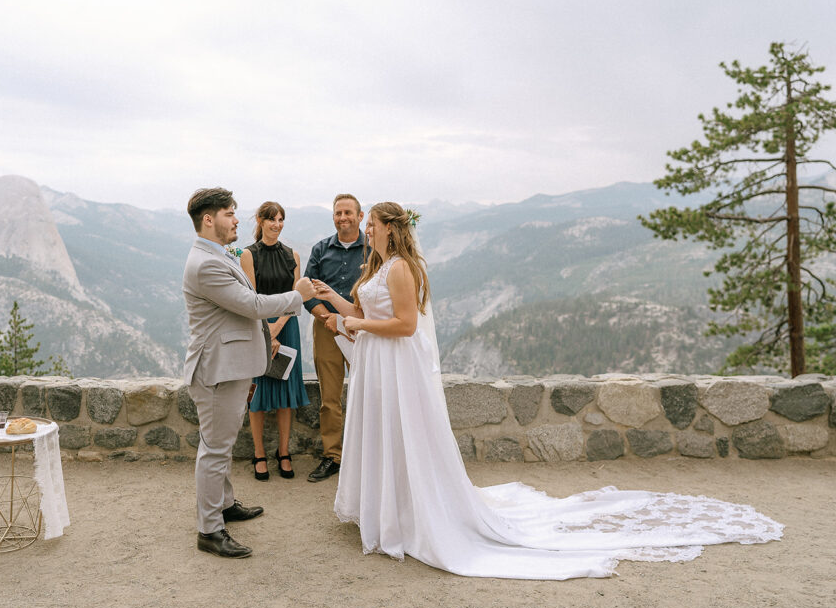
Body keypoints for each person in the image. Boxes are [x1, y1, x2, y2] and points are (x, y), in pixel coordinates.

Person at [312, 202, 782, 579]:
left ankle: (409, 515)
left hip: (395, 369)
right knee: (385, 438)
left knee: (405, 438)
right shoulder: (379, 266)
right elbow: (361, 308)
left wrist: (355, 322)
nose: (366, 230)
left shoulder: (400, 268)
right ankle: (389, 508)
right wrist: (333, 301)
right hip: (379, 369)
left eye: (370, 223)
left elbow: (406, 324)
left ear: (389, 229)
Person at [182, 187, 315, 559]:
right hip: (216, 371)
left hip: (230, 367)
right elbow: (251, 304)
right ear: (208, 220)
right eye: (229, 213)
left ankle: (224, 505)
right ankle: (209, 530)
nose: (237, 219)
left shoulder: (217, 255)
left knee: (220, 445)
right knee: (214, 449)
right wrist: (297, 295)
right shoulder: (206, 263)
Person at [239, 201, 310, 481]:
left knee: (285, 397)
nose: (277, 224)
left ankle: (283, 452)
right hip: (258, 329)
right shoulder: (247, 255)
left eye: (281, 219)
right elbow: (250, 300)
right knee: (257, 394)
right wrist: (267, 334)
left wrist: (277, 330)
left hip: (286, 328)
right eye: (271, 219)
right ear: (260, 220)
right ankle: (259, 454)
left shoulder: (293, 255)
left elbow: (296, 299)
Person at [302, 194, 368, 482]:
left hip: (363, 329)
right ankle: (333, 457)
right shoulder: (320, 249)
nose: (343, 217)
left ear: (360, 216)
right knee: (330, 398)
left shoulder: (372, 249)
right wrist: (324, 316)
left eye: (348, 212)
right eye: (338, 213)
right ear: (333, 217)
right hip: (326, 328)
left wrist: (351, 319)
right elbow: (306, 290)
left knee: (368, 392)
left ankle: (367, 454)